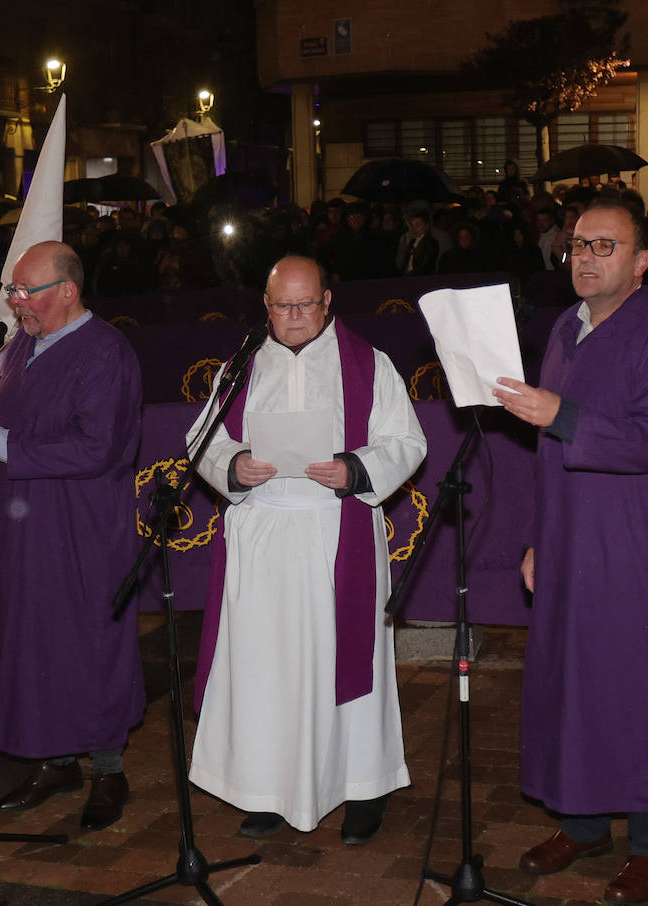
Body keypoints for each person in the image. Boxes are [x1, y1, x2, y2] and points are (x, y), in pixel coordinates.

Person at [493, 200, 648, 904]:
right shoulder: (566, 327)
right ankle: (582, 823)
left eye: (604, 246)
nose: (584, 257)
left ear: (640, 262)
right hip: (569, 537)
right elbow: (544, 454)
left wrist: (563, 413)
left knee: (640, 685)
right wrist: (536, 536)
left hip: (637, 541)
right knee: (571, 680)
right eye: (578, 244)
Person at [187, 255, 427, 844]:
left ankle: (363, 785)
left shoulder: (369, 364)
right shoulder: (241, 365)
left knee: (345, 662)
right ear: (264, 307)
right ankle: (270, 787)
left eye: (305, 305)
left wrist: (355, 468)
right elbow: (203, 438)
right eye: (280, 306)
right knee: (266, 667)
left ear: (327, 302)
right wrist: (232, 466)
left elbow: (407, 440)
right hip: (262, 532)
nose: (293, 317)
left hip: (334, 532)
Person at [0, 240, 145, 831]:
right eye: (14, 290)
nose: (15, 302)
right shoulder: (19, 349)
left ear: (67, 291)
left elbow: (99, 447)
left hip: (84, 527)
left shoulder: (106, 352)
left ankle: (108, 771)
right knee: (39, 641)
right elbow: (4, 433)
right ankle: (58, 760)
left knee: (91, 639)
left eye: (25, 291)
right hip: (26, 524)